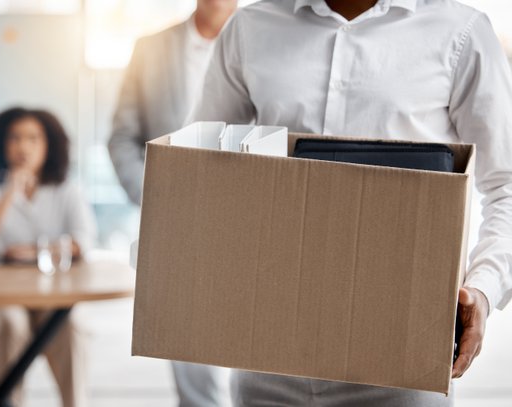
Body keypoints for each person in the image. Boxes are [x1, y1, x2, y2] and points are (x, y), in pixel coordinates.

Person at [190, 0, 512, 405]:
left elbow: (506, 186)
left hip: (403, 363)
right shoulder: (251, 27)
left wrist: (482, 288)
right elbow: (200, 169)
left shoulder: (461, 31)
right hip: (269, 358)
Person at [107, 0, 238, 405]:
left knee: (255, 346)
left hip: (246, 213)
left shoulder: (263, 40)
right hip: (175, 219)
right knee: (187, 347)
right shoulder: (151, 49)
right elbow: (122, 136)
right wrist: (152, 197)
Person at [0, 107, 96, 407]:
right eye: (15, 138)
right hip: (1, 300)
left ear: (49, 146)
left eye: (33, 139)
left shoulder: (66, 190)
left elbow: (83, 242)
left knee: (70, 325)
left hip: (50, 299)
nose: (24, 147)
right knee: (12, 324)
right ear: (1, 145)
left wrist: (35, 251)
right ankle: (7, 402)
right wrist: (10, 191)